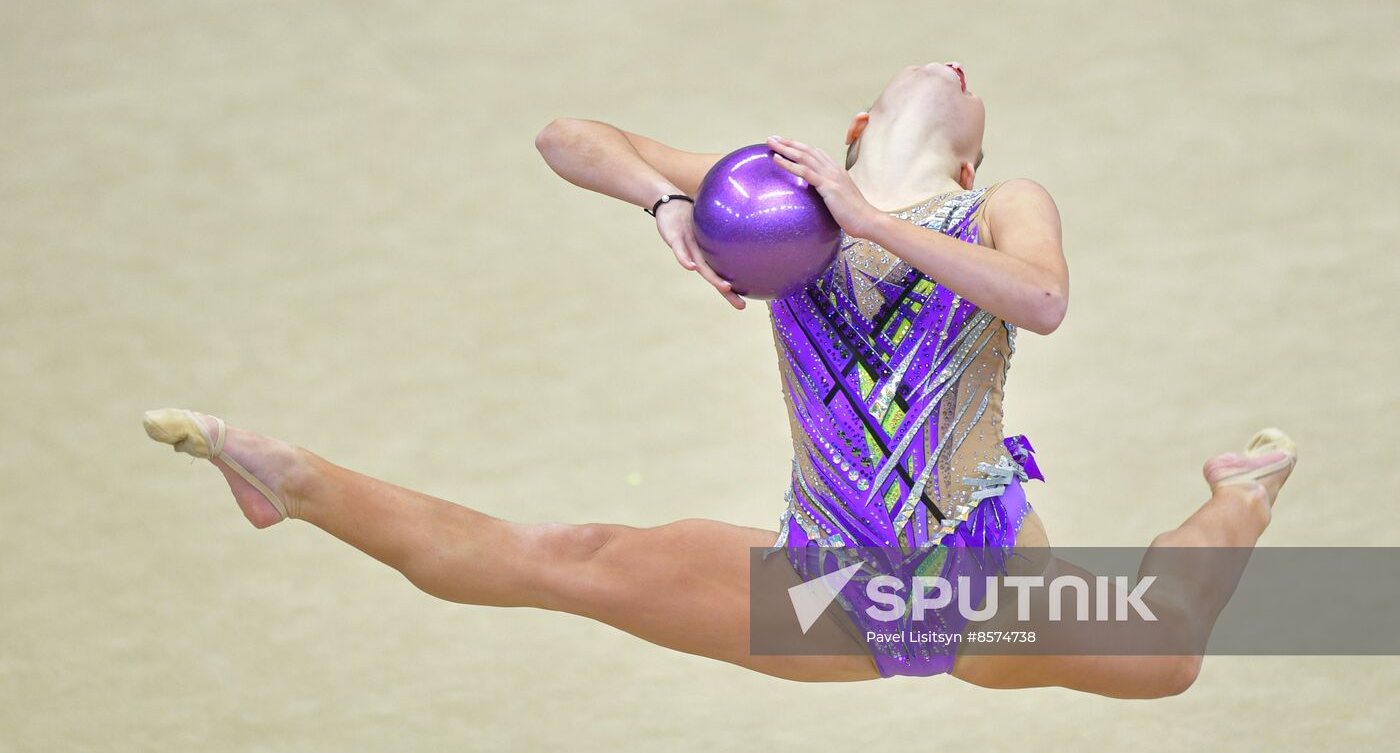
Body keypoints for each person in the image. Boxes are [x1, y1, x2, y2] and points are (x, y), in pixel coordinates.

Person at [143, 61, 1296, 697]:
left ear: (970, 151)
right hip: (823, 584)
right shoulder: (772, 190)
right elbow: (565, 133)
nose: (953, 64)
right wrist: (662, 200)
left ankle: (1238, 488)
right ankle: (293, 478)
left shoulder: (995, 204)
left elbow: (1038, 300)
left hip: (982, 571)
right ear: (855, 122)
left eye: (970, 85)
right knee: (565, 560)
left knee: (1164, 655)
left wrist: (867, 220)